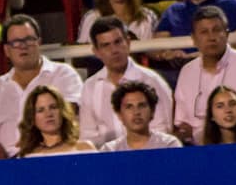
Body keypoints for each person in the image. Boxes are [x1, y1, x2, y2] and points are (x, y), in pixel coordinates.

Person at [0, 15, 82, 159]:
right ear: (6, 50)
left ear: (39, 42)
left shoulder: (63, 74)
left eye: (29, 40)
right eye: (16, 42)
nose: (23, 46)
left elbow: (67, 115)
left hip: (52, 155)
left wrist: (33, 144)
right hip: (8, 163)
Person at [79, 16, 174, 147]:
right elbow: (88, 137)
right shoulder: (89, 87)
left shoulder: (152, 81)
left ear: (128, 43)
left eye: (118, 42)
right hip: (107, 161)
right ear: (96, 52)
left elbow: (162, 131)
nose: (114, 51)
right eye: (106, 45)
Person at [173, 6, 236, 143]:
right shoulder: (187, 72)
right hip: (201, 152)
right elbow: (183, 123)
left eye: (216, 30)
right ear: (194, 39)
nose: (211, 37)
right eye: (204, 32)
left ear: (227, 34)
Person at [100, 79, 184, 151]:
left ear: (152, 111)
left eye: (142, 105)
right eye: (129, 107)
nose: (136, 112)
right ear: (119, 114)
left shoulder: (169, 145)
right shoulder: (110, 150)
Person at [16, 85, 97, 157]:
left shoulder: (84, 149)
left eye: (53, 107)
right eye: (40, 110)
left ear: (63, 112)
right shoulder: (27, 156)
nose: (48, 114)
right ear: (32, 117)